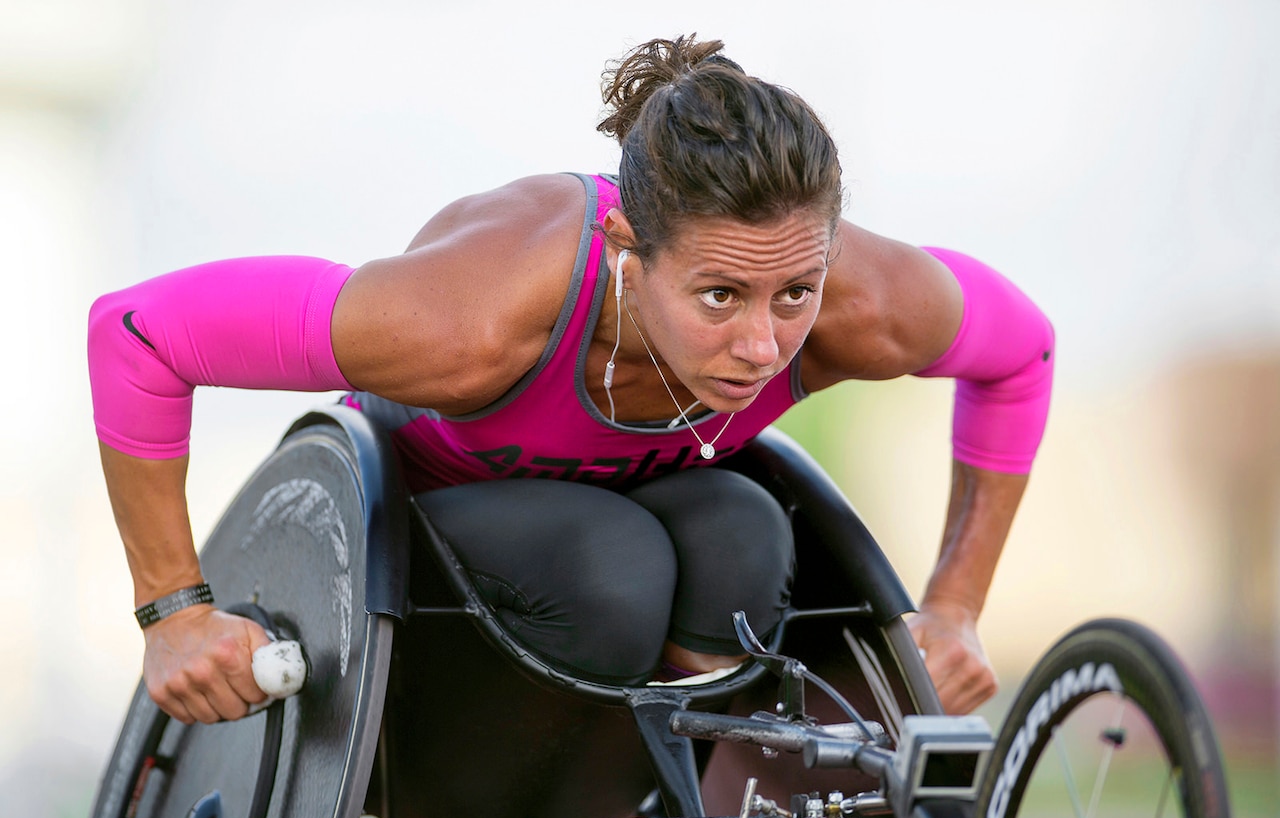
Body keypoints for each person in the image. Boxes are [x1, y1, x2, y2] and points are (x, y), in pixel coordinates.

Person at [88, 36, 1053, 727]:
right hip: (427, 535)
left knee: (746, 530)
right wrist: (174, 613)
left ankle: (657, 786)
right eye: (720, 295)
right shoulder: (470, 320)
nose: (764, 347)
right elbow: (136, 334)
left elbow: (1024, 355)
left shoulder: (866, 305)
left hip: (631, 523)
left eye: (793, 292)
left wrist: (957, 607)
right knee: (612, 564)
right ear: (629, 246)